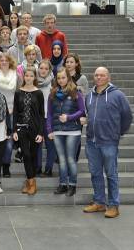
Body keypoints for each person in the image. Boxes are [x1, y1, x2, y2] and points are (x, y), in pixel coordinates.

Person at [83, 67, 132, 218]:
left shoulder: (118, 95)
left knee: (111, 174)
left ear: (108, 77)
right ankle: (99, 202)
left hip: (109, 142)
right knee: (95, 173)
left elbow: (127, 117)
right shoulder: (89, 95)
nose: (98, 77)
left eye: (102, 75)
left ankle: (113, 205)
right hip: (92, 141)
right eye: (96, 75)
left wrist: (117, 133)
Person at [47, 67, 85, 197]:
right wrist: (49, 129)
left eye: (63, 77)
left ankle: (72, 185)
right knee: (61, 160)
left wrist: (69, 117)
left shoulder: (76, 92)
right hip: (58, 131)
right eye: (59, 78)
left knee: (70, 159)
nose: (61, 80)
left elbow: (82, 110)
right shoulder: (52, 94)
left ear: (68, 78)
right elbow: (50, 114)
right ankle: (63, 184)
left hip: (73, 131)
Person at [13, 67, 44, 195]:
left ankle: (28, 181)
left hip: (35, 129)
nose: (29, 78)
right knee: (25, 155)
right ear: (23, 77)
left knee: (33, 155)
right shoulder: (18, 92)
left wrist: (41, 133)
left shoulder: (39, 93)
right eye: (27, 76)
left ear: (34, 77)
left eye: (31, 76)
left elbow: (42, 114)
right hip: (21, 128)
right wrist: (14, 130)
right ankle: (32, 183)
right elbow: (15, 112)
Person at [0, 54, 19, 178]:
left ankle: (6, 166)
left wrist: (15, 108)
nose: (4, 62)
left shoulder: (16, 74)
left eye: (6, 60)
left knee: (9, 143)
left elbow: (19, 92)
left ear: (10, 61)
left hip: (12, 111)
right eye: (1, 60)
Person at [36, 60, 56, 177]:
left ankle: (48, 169)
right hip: (37, 119)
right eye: (41, 68)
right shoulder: (33, 82)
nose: (43, 71)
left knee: (50, 145)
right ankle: (37, 168)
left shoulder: (53, 84)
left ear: (49, 71)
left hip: (49, 118)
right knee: (37, 144)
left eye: (45, 69)